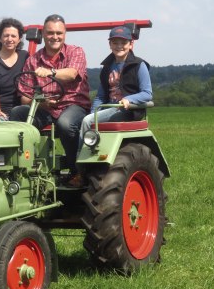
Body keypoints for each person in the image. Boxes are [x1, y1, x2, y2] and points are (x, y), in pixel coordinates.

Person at [9, 14, 91, 181]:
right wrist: (41, 102)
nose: (55, 37)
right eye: (50, 33)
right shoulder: (33, 60)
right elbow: (25, 96)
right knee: (18, 113)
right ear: (44, 34)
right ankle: (25, 171)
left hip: (72, 106)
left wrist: (51, 72)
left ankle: (78, 170)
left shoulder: (75, 52)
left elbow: (72, 73)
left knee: (65, 124)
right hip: (45, 109)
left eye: (59, 33)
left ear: (65, 34)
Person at [77, 25, 153, 163]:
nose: (119, 46)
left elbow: (147, 93)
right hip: (108, 109)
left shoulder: (139, 65)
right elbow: (101, 96)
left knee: (86, 122)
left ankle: (79, 165)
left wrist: (129, 99)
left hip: (127, 111)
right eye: (115, 42)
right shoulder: (107, 67)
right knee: (87, 119)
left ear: (131, 44)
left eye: (123, 42)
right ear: (110, 44)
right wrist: (93, 114)